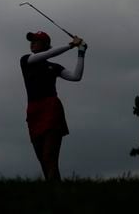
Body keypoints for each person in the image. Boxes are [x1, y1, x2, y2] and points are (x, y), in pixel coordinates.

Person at [20, 30, 87, 182]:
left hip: (51, 108)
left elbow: (76, 77)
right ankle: (53, 191)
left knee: (49, 155)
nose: (32, 43)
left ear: (45, 45)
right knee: (42, 158)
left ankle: (56, 192)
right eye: (32, 41)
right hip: (33, 111)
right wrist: (71, 45)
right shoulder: (26, 60)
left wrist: (81, 52)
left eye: (36, 41)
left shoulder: (54, 67)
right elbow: (47, 55)